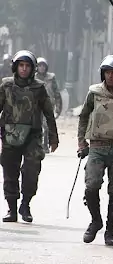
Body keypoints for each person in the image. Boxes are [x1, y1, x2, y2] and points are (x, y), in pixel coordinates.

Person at [77, 55, 113, 246]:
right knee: (91, 185)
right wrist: (81, 142)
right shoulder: (94, 93)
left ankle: (110, 231)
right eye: (108, 72)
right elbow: (84, 116)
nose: (110, 76)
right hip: (97, 146)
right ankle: (95, 221)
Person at [1, 50, 59, 223]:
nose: (24, 69)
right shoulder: (6, 85)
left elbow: (49, 112)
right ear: (15, 67)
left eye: (27, 66)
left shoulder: (39, 87)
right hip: (10, 134)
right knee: (10, 172)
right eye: (21, 65)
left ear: (33, 68)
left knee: (32, 170)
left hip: (32, 136)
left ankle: (25, 204)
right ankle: (12, 208)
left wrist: (54, 137)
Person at [35, 57, 62, 153]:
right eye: (39, 66)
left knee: (46, 126)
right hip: (36, 105)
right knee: (37, 125)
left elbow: (57, 93)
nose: (41, 68)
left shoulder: (51, 77)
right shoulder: (33, 78)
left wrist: (58, 109)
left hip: (48, 105)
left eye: (43, 66)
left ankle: (45, 145)